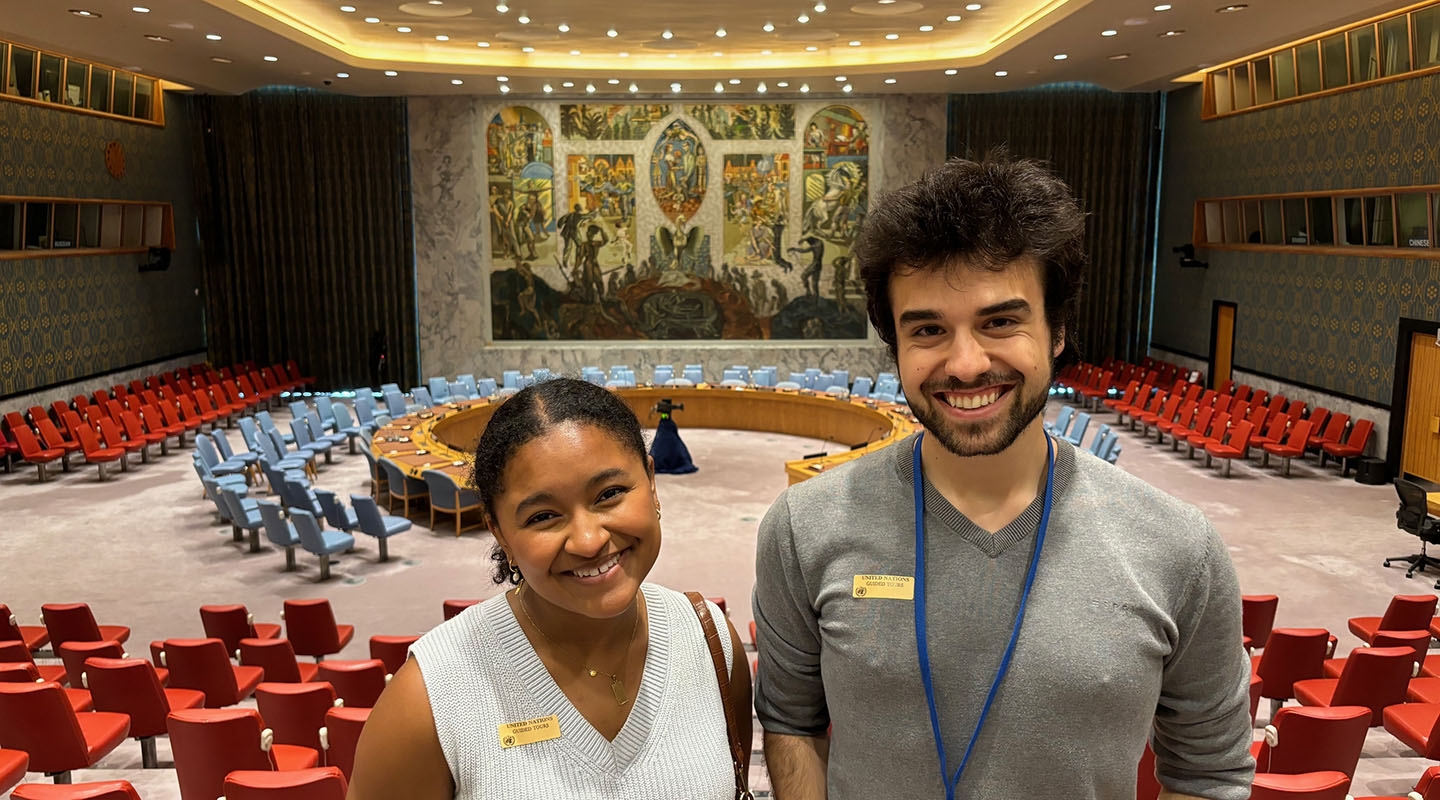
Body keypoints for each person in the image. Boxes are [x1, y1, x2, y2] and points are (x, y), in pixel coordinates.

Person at [752, 154, 1253, 800]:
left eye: (1000, 322)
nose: (965, 364)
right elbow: (791, 722)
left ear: (1058, 331)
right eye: (929, 329)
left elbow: (1209, 775)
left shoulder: (1181, 549)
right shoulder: (803, 528)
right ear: (895, 348)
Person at [349, 378, 750, 799]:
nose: (589, 540)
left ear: (652, 483)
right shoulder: (428, 700)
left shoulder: (712, 642)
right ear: (500, 533)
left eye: (610, 494)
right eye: (543, 517)